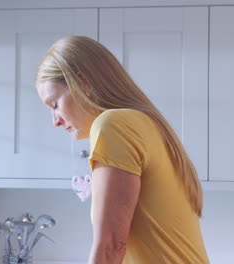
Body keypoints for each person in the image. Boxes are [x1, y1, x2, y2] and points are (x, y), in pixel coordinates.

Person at [36, 36, 210, 264]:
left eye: (55, 104)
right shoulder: (145, 124)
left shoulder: (113, 125)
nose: (55, 121)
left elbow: (110, 248)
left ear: (82, 82)